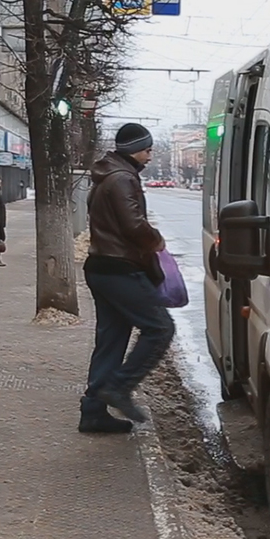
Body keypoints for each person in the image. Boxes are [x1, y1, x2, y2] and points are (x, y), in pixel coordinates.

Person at [79, 123, 175, 434]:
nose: (149, 156)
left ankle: (93, 413)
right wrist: (156, 240)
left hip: (102, 267)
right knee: (160, 328)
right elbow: (133, 225)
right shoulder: (122, 178)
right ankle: (119, 388)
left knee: (111, 340)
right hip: (119, 268)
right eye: (147, 150)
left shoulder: (109, 175)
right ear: (135, 149)